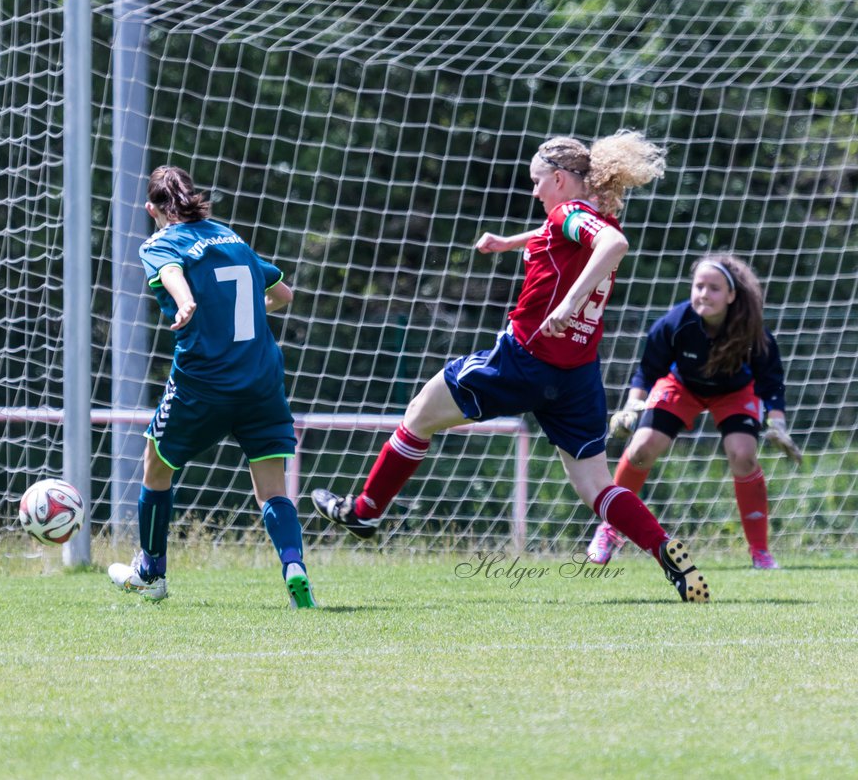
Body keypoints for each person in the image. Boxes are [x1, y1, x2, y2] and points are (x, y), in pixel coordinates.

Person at [312, 130, 713, 602]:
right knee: (597, 487)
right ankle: (665, 550)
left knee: (420, 414)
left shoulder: (573, 215)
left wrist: (566, 304)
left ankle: (365, 510)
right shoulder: (583, 214)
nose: (534, 191)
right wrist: (508, 243)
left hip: (523, 359)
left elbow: (612, 245)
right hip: (577, 375)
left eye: (537, 181)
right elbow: (572, 233)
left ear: (560, 180)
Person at [108, 165, 316, 608]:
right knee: (272, 487)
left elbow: (170, 273)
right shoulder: (230, 237)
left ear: (152, 209)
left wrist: (185, 304)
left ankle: (151, 572)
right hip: (261, 379)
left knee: (156, 464)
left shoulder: (160, 242)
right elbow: (284, 295)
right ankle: (294, 565)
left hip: (203, 383)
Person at [587, 253, 801, 569]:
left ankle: (760, 553)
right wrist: (633, 407)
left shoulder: (752, 331)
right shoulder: (674, 323)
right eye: (699, 286)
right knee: (642, 447)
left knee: (743, 455)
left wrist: (778, 424)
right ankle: (610, 528)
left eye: (714, 288)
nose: (704, 293)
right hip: (682, 386)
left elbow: (771, 382)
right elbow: (647, 372)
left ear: (731, 295)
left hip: (734, 392)